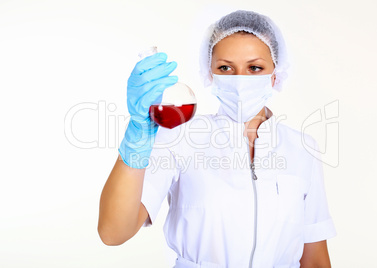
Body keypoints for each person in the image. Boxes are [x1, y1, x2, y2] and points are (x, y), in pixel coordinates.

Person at [98, 10, 336, 268]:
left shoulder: (302, 149)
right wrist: (137, 137)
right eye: (225, 68)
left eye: (255, 68)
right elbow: (113, 232)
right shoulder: (180, 136)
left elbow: (314, 259)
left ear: (275, 74)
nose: (240, 80)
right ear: (210, 74)